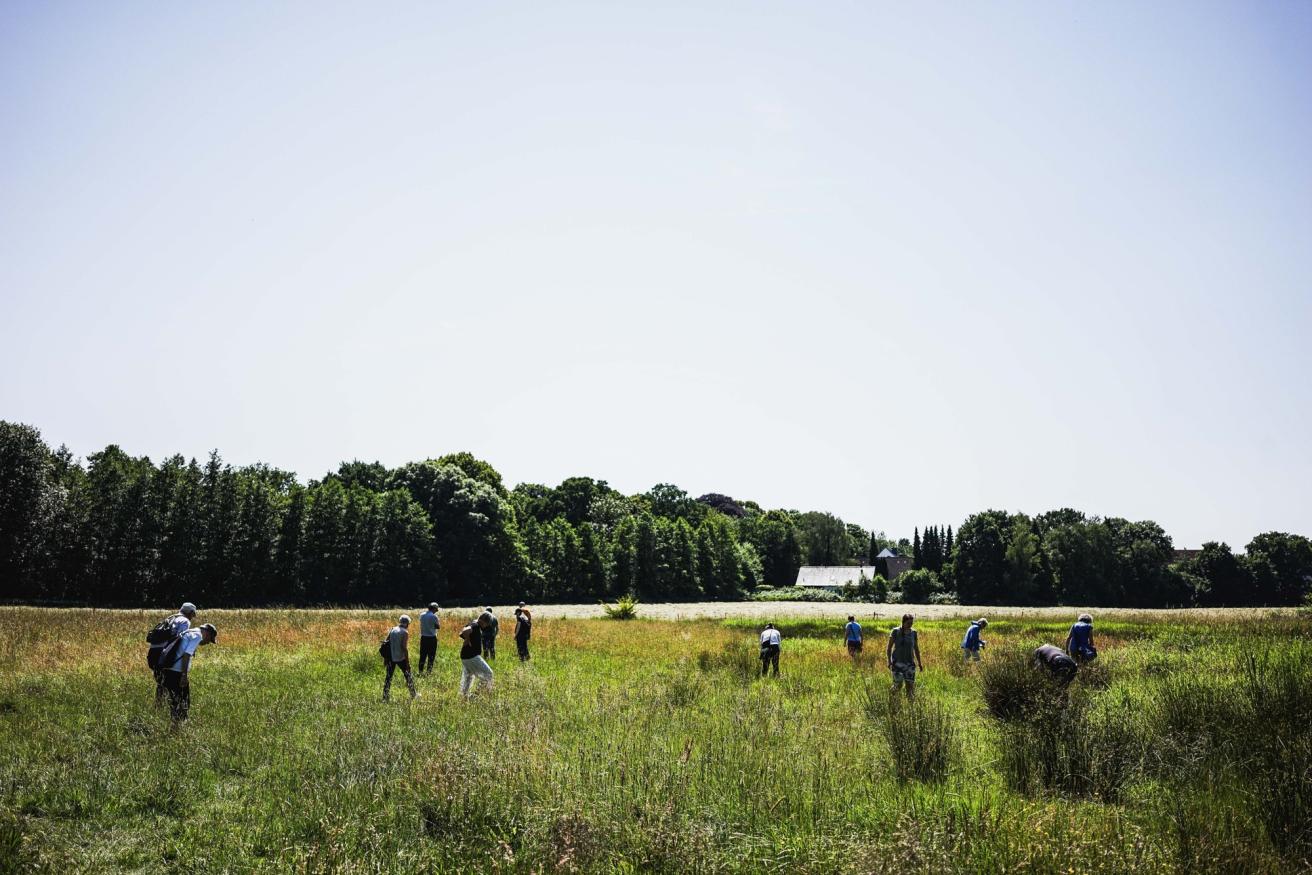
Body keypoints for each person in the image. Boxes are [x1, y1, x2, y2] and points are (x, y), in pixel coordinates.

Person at [159, 622, 217, 722]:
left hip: (168, 670)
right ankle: (178, 728)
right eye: (209, 639)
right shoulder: (198, 635)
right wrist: (184, 676)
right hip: (176, 673)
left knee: (175, 701)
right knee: (183, 702)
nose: (208, 642)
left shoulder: (189, 632)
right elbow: (186, 655)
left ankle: (175, 726)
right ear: (207, 633)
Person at [148, 602, 196, 705]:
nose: (194, 617)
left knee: (161, 683)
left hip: (153, 654)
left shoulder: (170, 618)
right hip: (165, 654)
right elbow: (180, 638)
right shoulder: (185, 621)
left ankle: (158, 706)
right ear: (190, 612)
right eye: (194, 614)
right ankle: (174, 708)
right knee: (171, 682)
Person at [886, 613, 923, 700]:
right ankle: (892, 700)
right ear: (903, 622)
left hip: (910, 664)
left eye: (911, 623)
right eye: (908, 623)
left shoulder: (914, 633)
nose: (910, 625)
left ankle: (910, 707)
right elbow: (889, 648)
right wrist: (889, 661)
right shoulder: (895, 631)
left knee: (910, 687)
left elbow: (916, 649)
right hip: (897, 664)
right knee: (897, 686)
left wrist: (920, 663)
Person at [459, 613, 495, 697]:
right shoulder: (475, 625)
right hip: (472, 656)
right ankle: (477, 695)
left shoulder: (473, 623)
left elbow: (461, 633)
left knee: (468, 677)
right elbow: (464, 631)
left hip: (466, 656)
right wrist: (467, 639)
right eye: (487, 624)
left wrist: (467, 639)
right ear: (484, 621)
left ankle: (464, 697)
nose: (486, 626)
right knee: (489, 673)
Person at [383, 615, 417, 701]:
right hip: (400, 658)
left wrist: (386, 658)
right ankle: (413, 694)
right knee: (408, 675)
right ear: (407, 623)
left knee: (388, 677)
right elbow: (404, 648)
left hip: (391, 657)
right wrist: (407, 662)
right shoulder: (405, 632)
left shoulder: (393, 629)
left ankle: (385, 696)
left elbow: (386, 643)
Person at [418, 603, 440, 674]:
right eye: (437, 608)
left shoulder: (422, 615)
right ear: (434, 608)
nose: (437, 609)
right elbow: (438, 627)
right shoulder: (434, 617)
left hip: (423, 638)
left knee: (422, 655)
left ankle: (420, 671)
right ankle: (428, 672)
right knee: (431, 656)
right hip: (432, 638)